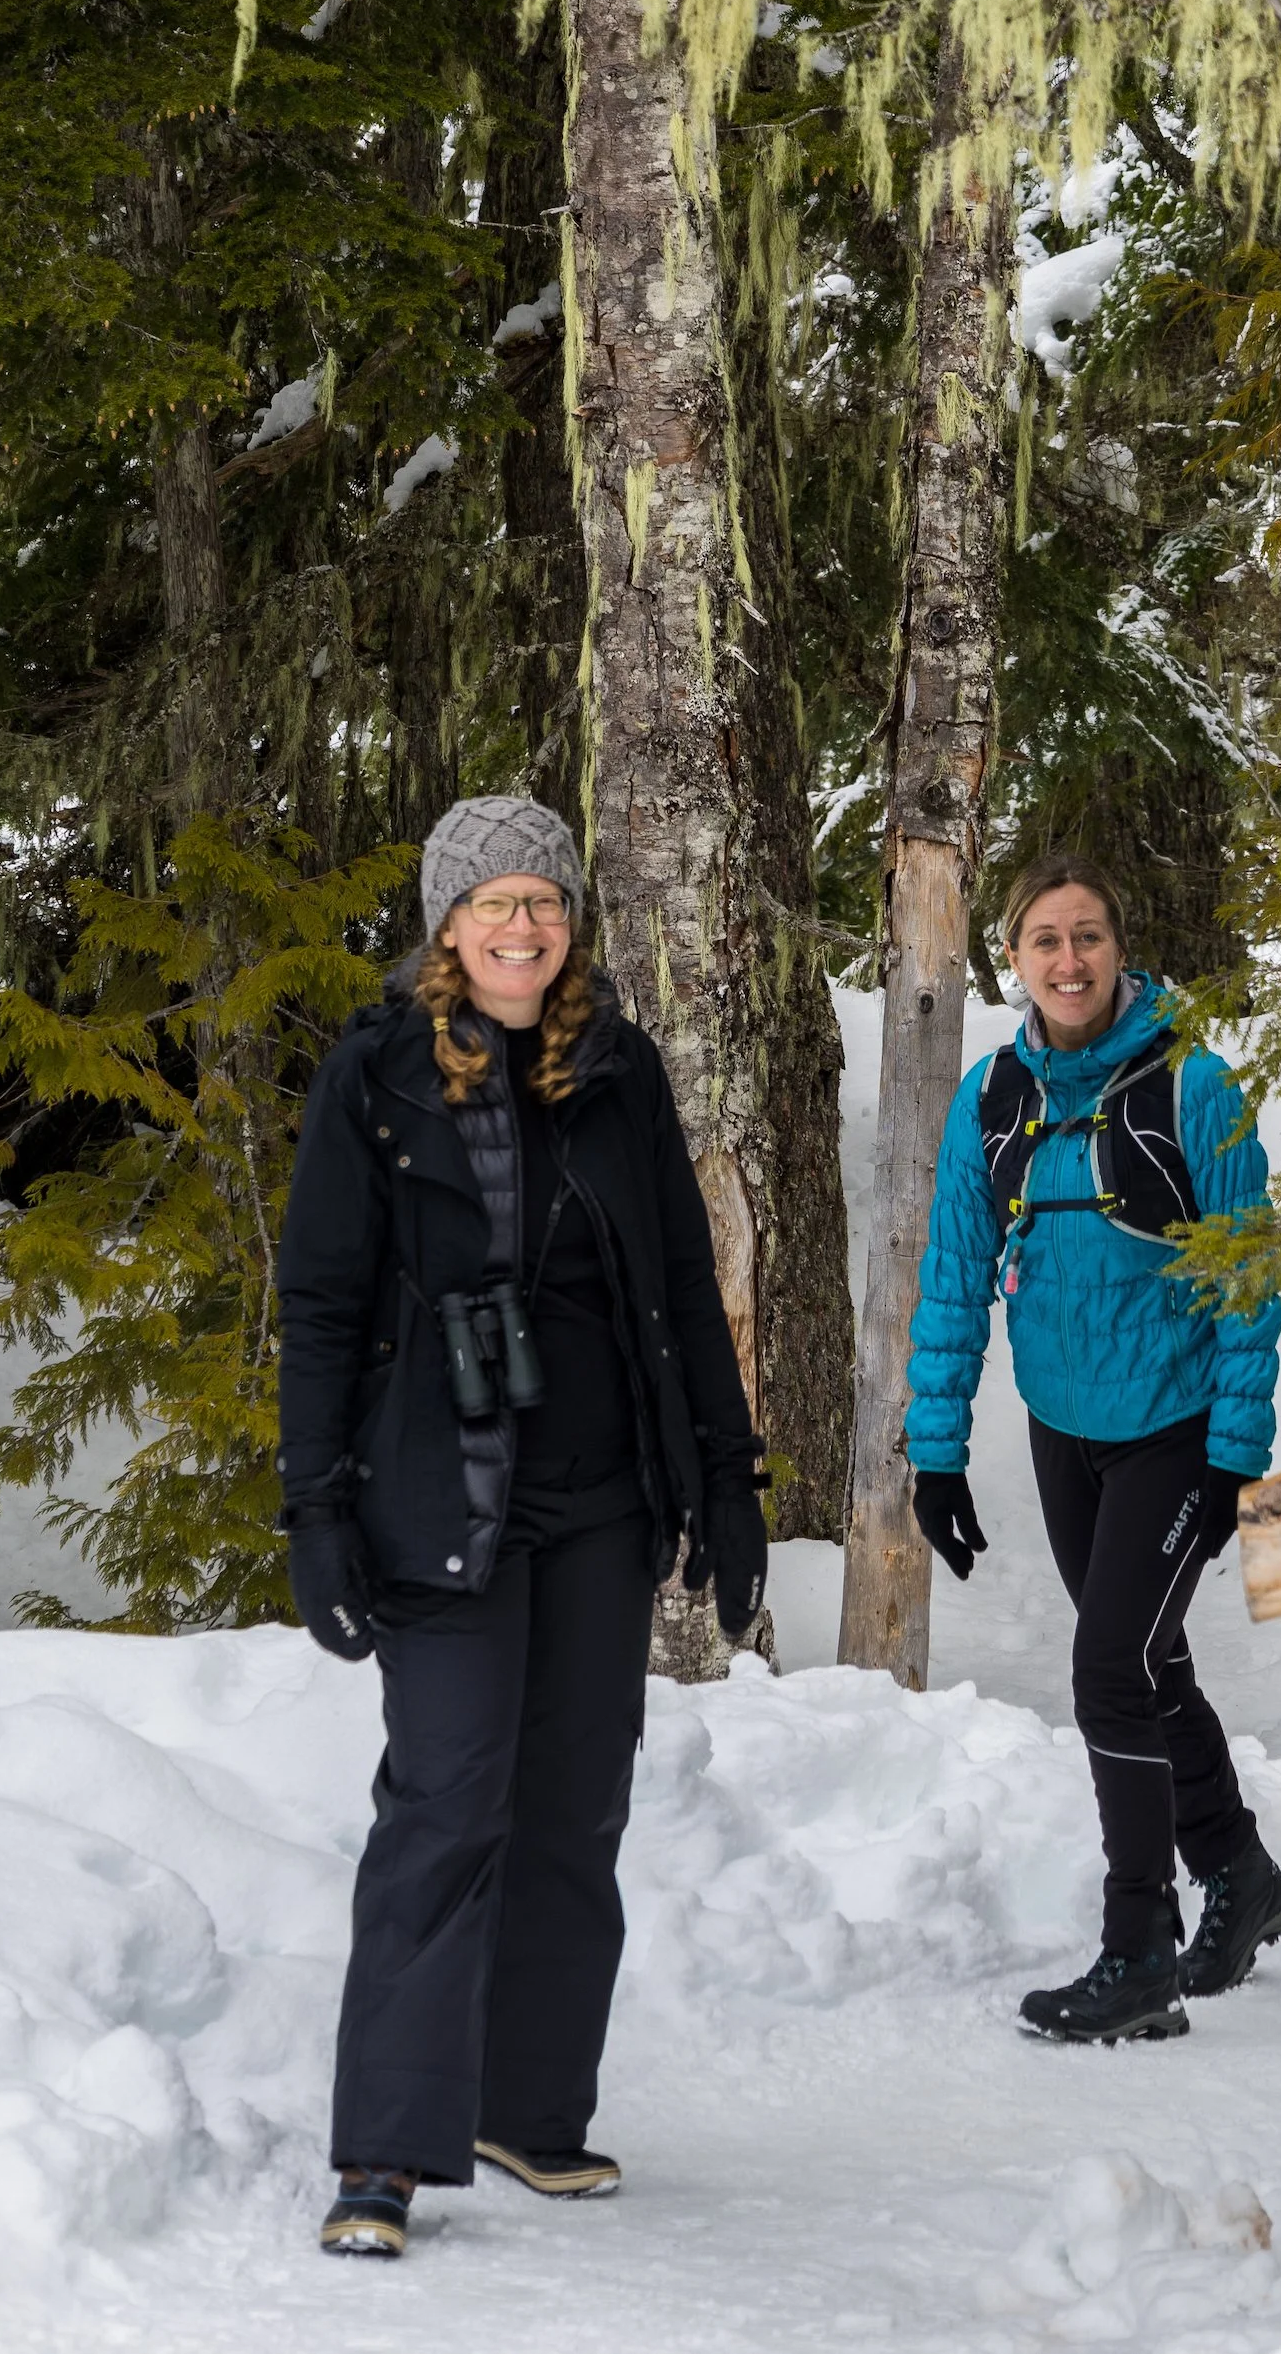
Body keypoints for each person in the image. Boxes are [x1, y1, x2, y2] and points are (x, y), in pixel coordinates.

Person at [276, 796, 769, 2256]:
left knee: (574, 1805)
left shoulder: (620, 1071)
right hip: (443, 1498)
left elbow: (685, 1282)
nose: (521, 926)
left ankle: (528, 2108)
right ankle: (383, 2154)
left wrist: (729, 1481)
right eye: (492, 902)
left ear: (570, 921)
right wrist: (316, 1508)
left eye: (543, 902)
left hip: (604, 1499)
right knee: (445, 1806)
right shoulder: (375, 1076)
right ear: (447, 923)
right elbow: (319, 1306)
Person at [906, 852, 1281, 2042]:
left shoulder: (1195, 1088)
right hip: (1064, 1428)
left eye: (1088, 936)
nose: (1068, 960)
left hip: (1174, 1431)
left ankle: (1139, 1948)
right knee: (1143, 1661)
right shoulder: (991, 1100)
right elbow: (952, 1283)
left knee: (1108, 1673)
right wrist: (936, 1454)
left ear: (1119, 949)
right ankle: (1244, 1877)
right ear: (1011, 958)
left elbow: (1250, 1280)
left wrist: (1234, 1450)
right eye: (1044, 940)